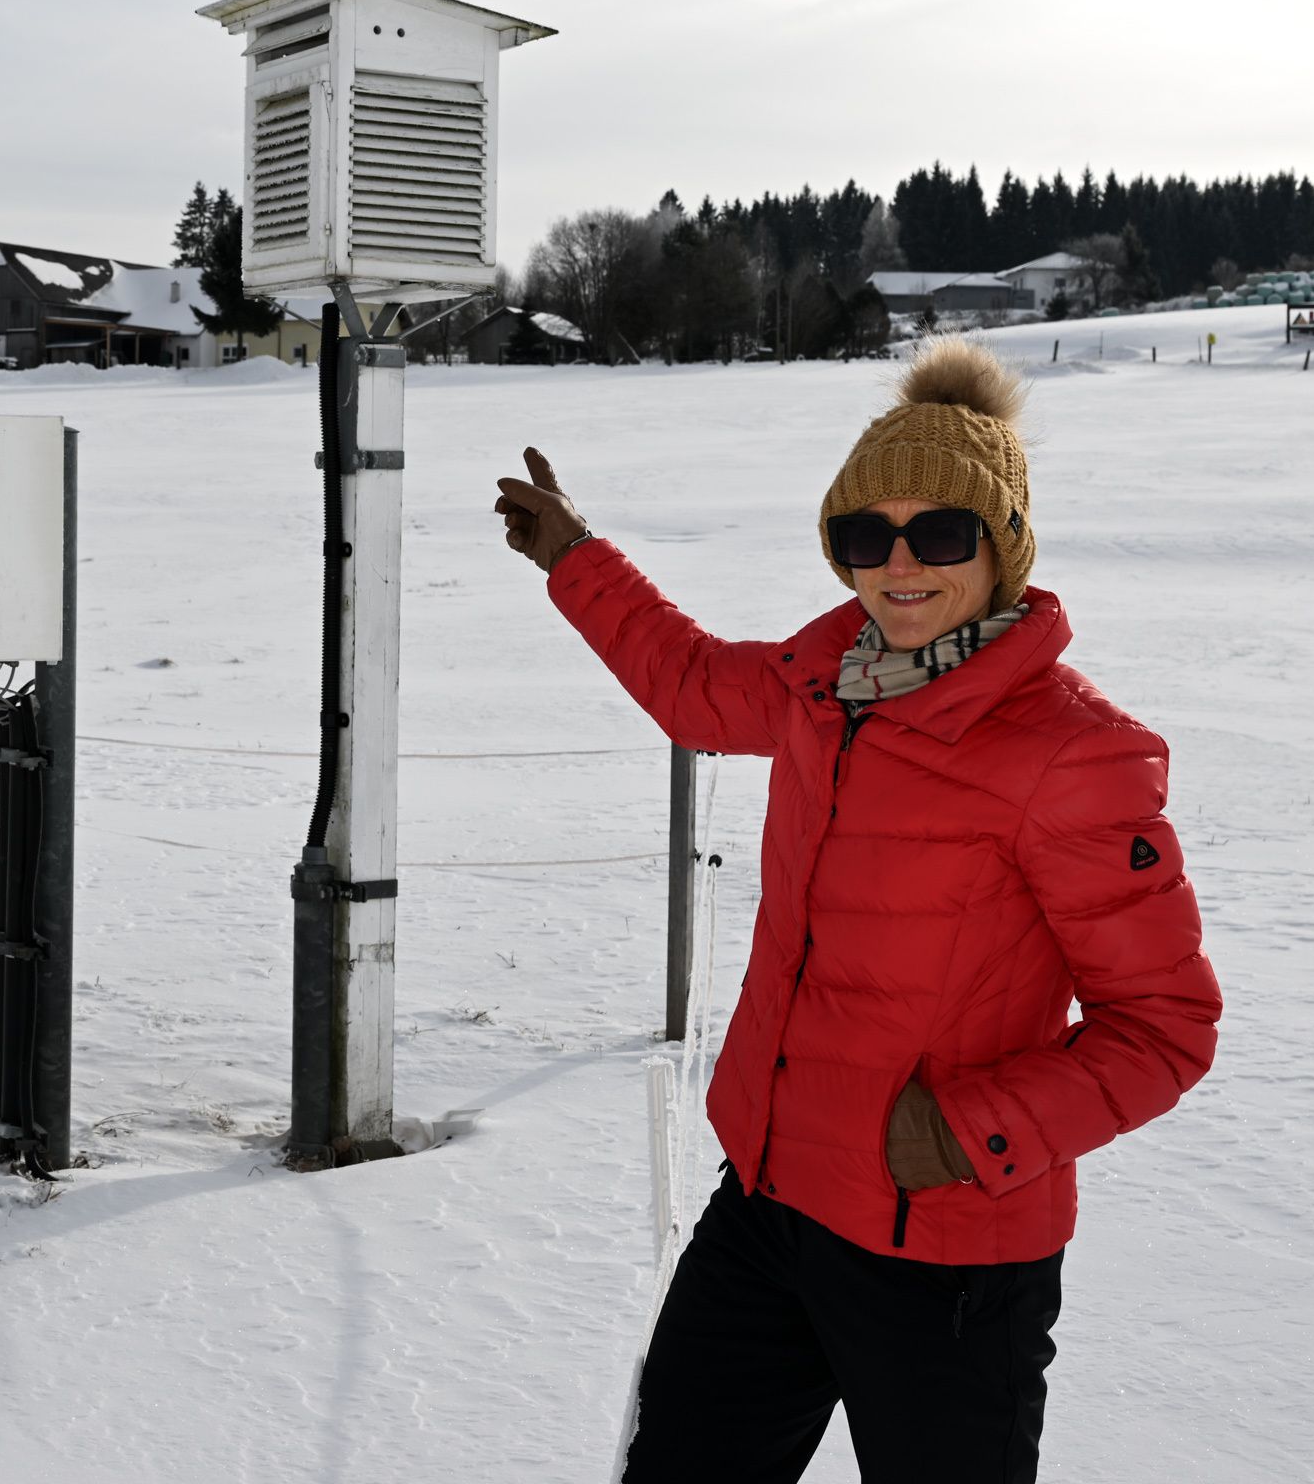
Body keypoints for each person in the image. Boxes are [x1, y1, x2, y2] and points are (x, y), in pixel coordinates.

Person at [492, 337, 1221, 1483]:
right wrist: (574, 555)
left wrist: (969, 1130)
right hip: (771, 1199)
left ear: (1005, 545)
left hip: (945, 1255)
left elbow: (1166, 1027)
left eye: (939, 532)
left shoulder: (1073, 753)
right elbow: (689, 681)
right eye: (864, 535)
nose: (900, 565)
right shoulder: (820, 683)